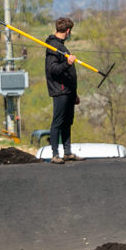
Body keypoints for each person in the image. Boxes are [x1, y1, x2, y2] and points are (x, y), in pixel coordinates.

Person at [45, 17, 82, 164]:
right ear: (68, 31)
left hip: (68, 91)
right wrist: (67, 63)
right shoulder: (53, 47)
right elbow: (53, 70)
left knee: (67, 122)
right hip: (60, 91)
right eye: (70, 31)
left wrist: (74, 93)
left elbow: (67, 73)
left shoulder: (61, 46)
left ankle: (67, 152)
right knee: (58, 122)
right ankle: (55, 154)